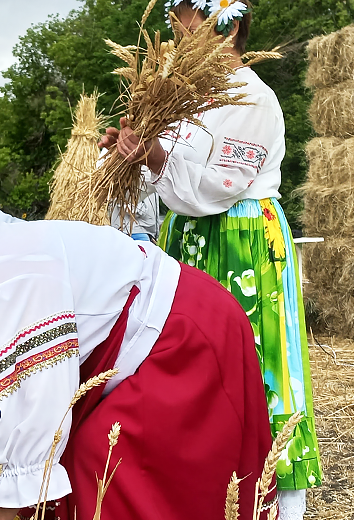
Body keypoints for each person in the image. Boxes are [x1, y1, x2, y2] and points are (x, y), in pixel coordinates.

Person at [0, 174, 273, 520]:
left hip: (180, 333)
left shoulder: (8, 275)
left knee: (104, 471)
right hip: (134, 350)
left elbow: (39, 415)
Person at [99, 1, 321, 516]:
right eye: (172, 24)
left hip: (242, 241)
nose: (175, 35)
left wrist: (155, 156)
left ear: (231, 25)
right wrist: (135, 151)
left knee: (262, 371)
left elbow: (222, 186)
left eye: (185, 23)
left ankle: (280, 506)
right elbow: (173, 183)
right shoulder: (188, 98)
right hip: (189, 240)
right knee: (190, 371)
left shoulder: (252, 97)